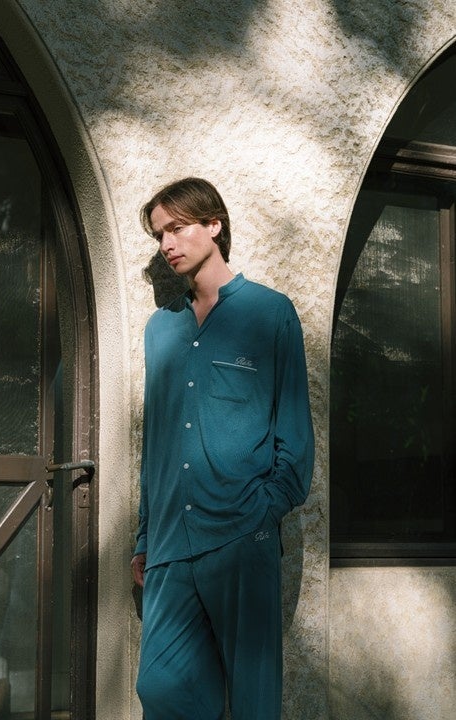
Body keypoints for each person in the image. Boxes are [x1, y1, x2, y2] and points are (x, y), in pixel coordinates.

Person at [131, 177, 314, 720]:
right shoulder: (160, 329)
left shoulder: (270, 313)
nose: (167, 244)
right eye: (160, 234)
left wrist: (261, 513)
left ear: (214, 225)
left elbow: (294, 438)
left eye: (177, 228)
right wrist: (145, 536)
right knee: (161, 690)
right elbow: (156, 443)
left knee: (254, 703)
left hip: (242, 537)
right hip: (169, 544)